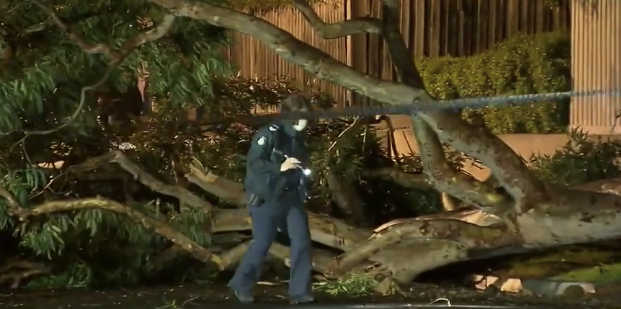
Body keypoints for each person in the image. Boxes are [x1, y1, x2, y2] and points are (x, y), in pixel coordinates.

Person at [228, 93, 314, 304]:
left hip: (291, 198)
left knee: (302, 240)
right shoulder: (270, 134)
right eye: (304, 116)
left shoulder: (299, 141)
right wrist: (279, 167)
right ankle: (241, 284)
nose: (307, 120)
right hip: (266, 198)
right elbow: (254, 163)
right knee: (263, 242)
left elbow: (301, 168)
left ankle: (299, 292)